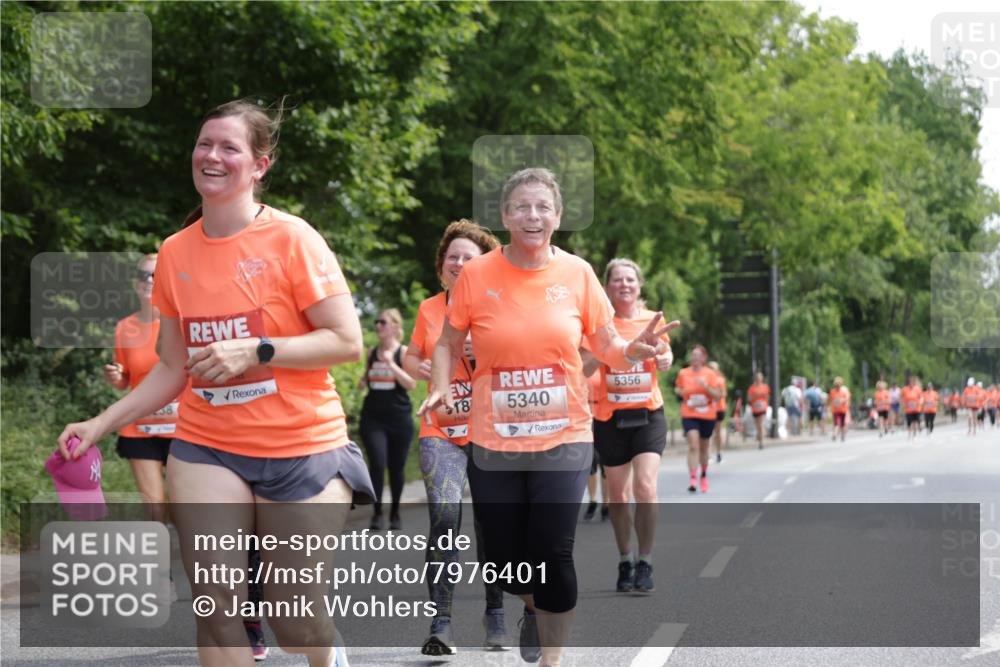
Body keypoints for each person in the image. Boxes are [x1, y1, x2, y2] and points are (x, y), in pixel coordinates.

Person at [59, 99, 374, 667]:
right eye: (205, 144)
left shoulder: (293, 239)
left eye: (230, 147)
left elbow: (346, 342)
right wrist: (102, 422)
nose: (212, 156)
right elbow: (172, 366)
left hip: (303, 446)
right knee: (217, 603)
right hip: (209, 446)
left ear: (259, 165)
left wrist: (257, 349)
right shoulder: (176, 253)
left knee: (293, 613)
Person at [419, 168, 674, 667]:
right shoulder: (477, 275)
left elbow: (606, 346)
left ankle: (553, 660)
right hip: (494, 441)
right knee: (504, 563)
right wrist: (442, 383)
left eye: (543, 207)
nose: (532, 216)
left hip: (565, 435)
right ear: (505, 215)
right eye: (521, 206)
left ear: (557, 216)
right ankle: (531, 608)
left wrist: (636, 351)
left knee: (554, 552)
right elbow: (448, 343)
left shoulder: (578, 274)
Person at [401, 219, 509, 655]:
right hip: (440, 429)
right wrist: (420, 367)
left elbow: (520, 359)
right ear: (442, 265)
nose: (460, 263)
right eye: (453, 257)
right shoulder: (429, 309)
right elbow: (410, 355)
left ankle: (496, 610)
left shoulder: (499, 307)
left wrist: (481, 351)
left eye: (469, 258)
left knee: (493, 525)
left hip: (489, 431)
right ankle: (441, 622)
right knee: (445, 518)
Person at [581, 258, 674, 595]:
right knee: (618, 497)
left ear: (639, 285)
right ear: (607, 287)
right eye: (617, 280)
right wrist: (606, 351)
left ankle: (646, 560)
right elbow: (583, 368)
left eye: (630, 280)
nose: (624, 285)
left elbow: (665, 355)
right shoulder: (598, 326)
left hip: (648, 414)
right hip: (610, 418)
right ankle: (625, 559)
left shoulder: (651, 321)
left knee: (646, 487)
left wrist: (664, 359)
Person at [359, 307, 416, 530]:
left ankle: (395, 513)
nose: (378, 326)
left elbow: (411, 384)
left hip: (399, 419)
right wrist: (363, 381)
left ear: (394, 326)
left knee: (396, 467)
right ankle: (376, 513)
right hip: (373, 418)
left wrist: (391, 364)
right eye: (377, 322)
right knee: (377, 463)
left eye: (382, 322)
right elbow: (367, 378)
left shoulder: (403, 352)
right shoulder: (372, 352)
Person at [675, 346, 723, 493]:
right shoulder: (684, 373)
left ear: (703, 358)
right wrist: (681, 392)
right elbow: (677, 389)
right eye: (693, 355)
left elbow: (717, 395)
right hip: (689, 413)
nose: (695, 358)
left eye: (698, 356)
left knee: (704, 447)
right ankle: (693, 478)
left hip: (707, 414)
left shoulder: (710, 374)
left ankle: (703, 476)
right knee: (693, 445)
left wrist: (706, 387)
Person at [582, 369, 610, 522]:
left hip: (605, 418)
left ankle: (606, 504)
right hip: (586, 419)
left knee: (606, 465)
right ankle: (593, 500)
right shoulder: (581, 366)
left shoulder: (605, 367)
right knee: (591, 462)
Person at [707, 361, 728, 462]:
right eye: (710, 368)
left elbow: (724, 394)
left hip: (719, 408)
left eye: (713, 368)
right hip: (708, 408)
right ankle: (708, 454)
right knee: (708, 432)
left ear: (717, 370)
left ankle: (718, 452)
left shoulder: (720, 380)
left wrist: (715, 394)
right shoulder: (705, 380)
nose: (711, 370)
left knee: (717, 432)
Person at [747, 372, 770, 449]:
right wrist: (756, 396)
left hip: (762, 408)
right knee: (757, 425)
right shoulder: (752, 388)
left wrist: (764, 397)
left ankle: (761, 442)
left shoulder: (765, 387)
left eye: (760, 377)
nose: (758, 379)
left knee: (760, 424)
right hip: (755, 408)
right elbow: (749, 399)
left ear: (762, 378)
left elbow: (767, 397)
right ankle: (760, 436)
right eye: (757, 378)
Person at [829, 377, 851, 442]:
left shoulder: (844, 392)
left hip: (842, 410)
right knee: (835, 423)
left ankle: (842, 435)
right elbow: (831, 400)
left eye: (838, 385)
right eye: (836, 385)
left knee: (842, 424)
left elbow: (847, 398)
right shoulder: (832, 392)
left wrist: (842, 400)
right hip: (835, 410)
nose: (837, 386)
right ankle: (835, 435)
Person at [901, 376, 923, 441]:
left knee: (915, 421)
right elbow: (901, 397)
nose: (911, 383)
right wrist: (903, 403)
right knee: (909, 422)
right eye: (910, 382)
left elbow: (921, 397)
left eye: (912, 382)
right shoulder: (905, 389)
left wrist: (920, 402)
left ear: (914, 383)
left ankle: (914, 434)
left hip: (916, 408)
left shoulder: (917, 389)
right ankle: (909, 434)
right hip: (908, 409)